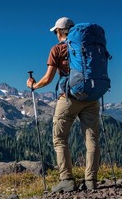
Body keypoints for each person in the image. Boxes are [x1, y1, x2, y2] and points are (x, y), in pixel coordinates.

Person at [26, 17, 100, 192]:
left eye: (55, 31)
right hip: (91, 97)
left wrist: (33, 85)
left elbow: (48, 78)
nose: (55, 34)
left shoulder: (57, 49)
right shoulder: (89, 46)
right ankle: (91, 181)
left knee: (60, 139)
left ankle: (66, 180)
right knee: (92, 139)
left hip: (69, 97)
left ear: (59, 31)